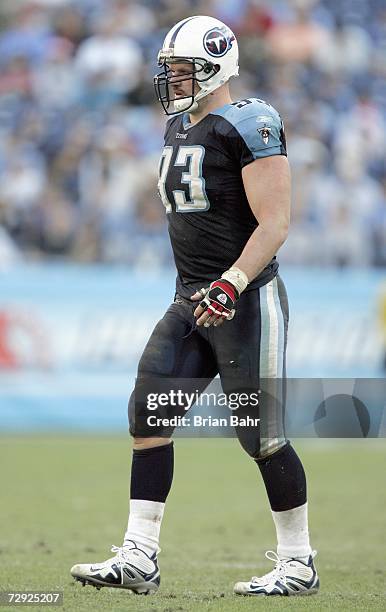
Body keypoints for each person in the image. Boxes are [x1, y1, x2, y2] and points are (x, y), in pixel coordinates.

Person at [70, 15, 319, 597]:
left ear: (217, 67)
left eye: (184, 71)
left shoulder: (250, 122)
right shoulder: (177, 128)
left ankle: (298, 561)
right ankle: (140, 556)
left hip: (245, 298)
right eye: (171, 70)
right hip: (191, 298)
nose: (174, 81)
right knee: (148, 415)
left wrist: (231, 283)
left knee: (262, 435)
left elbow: (276, 221)